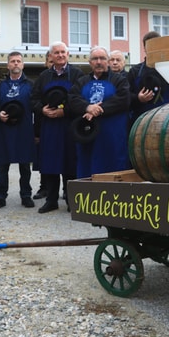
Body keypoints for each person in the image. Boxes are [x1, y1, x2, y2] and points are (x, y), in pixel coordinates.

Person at [30, 41, 83, 213]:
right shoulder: (43, 76)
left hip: (70, 125)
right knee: (50, 164)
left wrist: (65, 111)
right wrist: (42, 110)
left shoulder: (77, 74)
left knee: (70, 163)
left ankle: (71, 201)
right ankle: (51, 200)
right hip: (49, 126)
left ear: (68, 55)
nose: (60, 55)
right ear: (50, 56)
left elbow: (80, 99)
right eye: (56, 53)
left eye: (63, 52)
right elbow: (33, 99)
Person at [68, 46, 130, 179]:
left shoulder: (119, 80)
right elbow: (72, 99)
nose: (99, 61)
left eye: (102, 58)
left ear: (107, 61)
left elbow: (123, 99)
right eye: (95, 59)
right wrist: (87, 107)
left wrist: (97, 110)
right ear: (90, 62)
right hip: (88, 135)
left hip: (112, 135)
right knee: (87, 168)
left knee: (113, 168)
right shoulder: (82, 81)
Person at [0, 51, 35, 210]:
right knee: (3, 165)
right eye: (13, 61)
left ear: (23, 64)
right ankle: (0, 196)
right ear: (8, 65)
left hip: (24, 130)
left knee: (24, 165)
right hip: (4, 130)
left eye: (18, 61)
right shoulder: (0, 86)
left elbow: (37, 106)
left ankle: (26, 195)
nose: (16, 64)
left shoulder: (30, 85)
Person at [127, 31, 169, 124]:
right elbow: (126, 96)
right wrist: (138, 98)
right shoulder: (135, 71)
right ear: (144, 48)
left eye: (156, 46)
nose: (153, 49)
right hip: (141, 122)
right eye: (150, 46)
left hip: (167, 122)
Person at [31, 50, 53, 201]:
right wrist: (36, 133)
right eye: (50, 62)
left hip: (62, 122)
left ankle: (66, 190)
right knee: (45, 160)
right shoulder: (42, 79)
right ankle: (44, 187)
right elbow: (34, 101)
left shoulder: (73, 74)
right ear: (46, 62)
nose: (52, 64)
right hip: (43, 123)